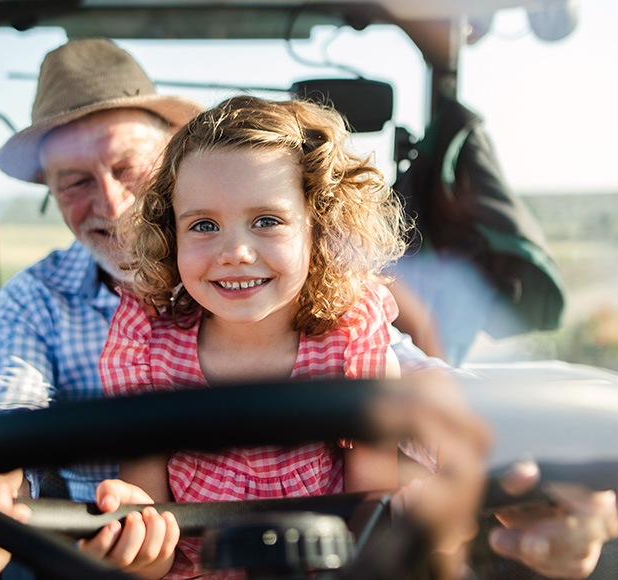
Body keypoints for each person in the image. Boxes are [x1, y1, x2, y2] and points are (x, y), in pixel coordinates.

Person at [0, 38, 618, 580]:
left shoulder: (333, 310)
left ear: (170, 169)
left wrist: (560, 445)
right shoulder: (44, 304)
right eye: (75, 184)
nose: (114, 204)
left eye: (129, 169)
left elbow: (413, 381)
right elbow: (4, 417)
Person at [86, 94, 473, 579]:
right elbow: (155, 559)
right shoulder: (147, 356)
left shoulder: (351, 350)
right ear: (172, 234)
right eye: (203, 225)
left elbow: (368, 518)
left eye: (266, 221)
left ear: (317, 226)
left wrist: (409, 518)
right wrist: (136, 537)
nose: (236, 252)